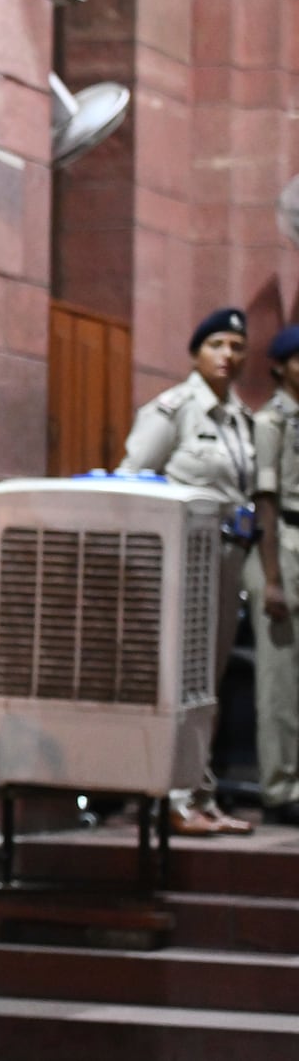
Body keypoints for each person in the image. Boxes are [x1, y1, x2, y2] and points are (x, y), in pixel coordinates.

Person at [117, 306, 258, 837]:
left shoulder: (240, 418)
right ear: (196, 352)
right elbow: (134, 479)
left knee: (211, 681)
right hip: (184, 559)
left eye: (237, 347)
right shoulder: (173, 409)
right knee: (184, 675)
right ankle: (175, 796)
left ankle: (201, 793)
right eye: (216, 344)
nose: (227, 355)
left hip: (228, 557)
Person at [251, 324, 299, 826]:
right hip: (281, 544)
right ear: (281, 366)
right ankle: (279, 786)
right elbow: (265, 500)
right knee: (280, 679)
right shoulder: (272, 421)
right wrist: (270, 578)